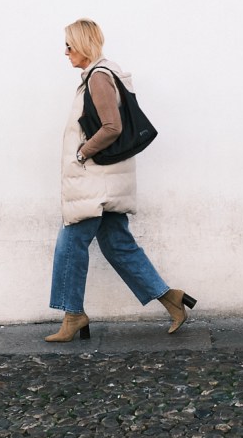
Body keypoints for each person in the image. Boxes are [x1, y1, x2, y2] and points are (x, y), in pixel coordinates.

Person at [46, 19, 197, 343]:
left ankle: (73, 314)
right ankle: (171, 299)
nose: (65, 52)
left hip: (95, 182)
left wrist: (82, 153)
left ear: (83, 45)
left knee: (70, 243)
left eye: (70, 46)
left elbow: (111, 127)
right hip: (106, 181)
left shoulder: (99, 77)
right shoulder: (100, 74)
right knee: (118, 245)